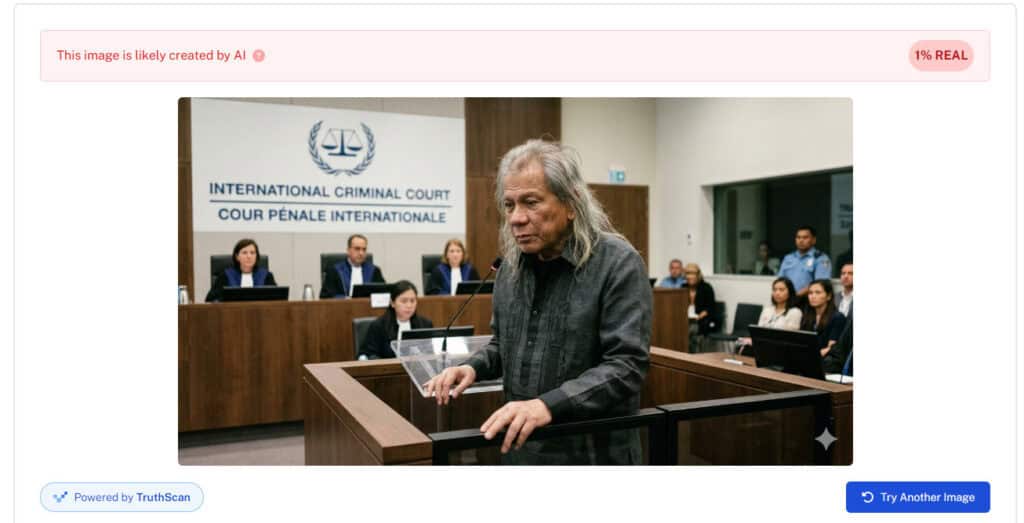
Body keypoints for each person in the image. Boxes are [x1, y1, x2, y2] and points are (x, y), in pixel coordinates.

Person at [424, 139, 651, 465]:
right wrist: (471, 368)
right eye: (509, 205)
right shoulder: (510, 268)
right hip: (522, 450)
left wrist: (547, 405)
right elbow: (503, 346)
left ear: (571, 203)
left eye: (530, 202)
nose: (516, 218)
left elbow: (626, 366)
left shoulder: (617, 263)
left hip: (592, 455)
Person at [358, 280, 434, 360]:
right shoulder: (379, 326)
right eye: (404, 301)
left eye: (412, 301)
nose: (409, 305)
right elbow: (369, 354)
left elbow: (429, 353)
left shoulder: (425, 325)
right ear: (392, 303)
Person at [736, 277, 802, 352]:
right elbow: (758, 332)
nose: (777, 293)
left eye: (781, 290)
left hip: (781, 348)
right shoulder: (767, 310)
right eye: (775, 290)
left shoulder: (795, 312)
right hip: (763, 345)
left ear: (790, 292)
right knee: (742, 344)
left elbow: (790, 339)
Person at [205, 238, 277, 302]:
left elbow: (277, 299)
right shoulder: (225, 276)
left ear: (256, 256)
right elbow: (211, 299)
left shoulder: (266, 276)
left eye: (252, 253)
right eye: (244, 253)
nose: (249, 256)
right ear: (237, 257)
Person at [320, 233, 386, 298]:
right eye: (357, 249)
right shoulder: (335, 271)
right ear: (348, 250)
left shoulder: (374, 271)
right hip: (343, 305)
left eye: (364, 249)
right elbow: (325, 296)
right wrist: (346, 299)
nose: (361, 253)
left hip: (367, 305)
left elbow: (384, 294)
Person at [777, 225, 832, 297]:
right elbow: (780, 281)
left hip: (808, 300)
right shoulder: (788, 258)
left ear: (813, 240)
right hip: (787, 299)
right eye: (798, 237)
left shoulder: (821, 259)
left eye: (805, 237)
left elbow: (820, 284)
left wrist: (796, 296)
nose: (801, 240)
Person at [800, 279, 847, 359]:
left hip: (825, 360)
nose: (813, 296)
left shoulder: (838, 317)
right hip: (807, 357)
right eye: (810, 293)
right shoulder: (807, 315)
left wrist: (810, 356)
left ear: (828, 296)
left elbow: (831, 348)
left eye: (818, 292)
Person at [684, 263, 717, 349]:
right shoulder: (683, 287)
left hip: (702, 319)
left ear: (698, 275)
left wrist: (698, 317)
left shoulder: (706, 288)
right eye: (687, 273)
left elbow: (710, 308)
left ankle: (692, 353)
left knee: (691, 329)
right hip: (685, 319)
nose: (690, 276)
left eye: (692, 274)